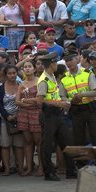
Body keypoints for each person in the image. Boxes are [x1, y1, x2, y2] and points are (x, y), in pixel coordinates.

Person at [35, 51, 76, 181]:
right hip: (48, 114)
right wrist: (59, 104)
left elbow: (53, 95)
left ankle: (71, 170)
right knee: (47, 144)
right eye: (55, 63)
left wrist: (62, 103)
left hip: (57, 114)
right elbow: (40, 101)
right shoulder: (44, 80)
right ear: (51, 64)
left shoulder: (52, 76)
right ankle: (49, 172)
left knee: (67, 141)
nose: (57, 65)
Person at [62, 53, 96, 149]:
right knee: (78, 138)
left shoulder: (87, 73)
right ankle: (81, 163)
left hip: (91, 108)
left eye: (71, 59)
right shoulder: (64, 78)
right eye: (66, 61)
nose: (69, 63)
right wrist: (71, 100)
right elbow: (62, 96)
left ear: (77, 59)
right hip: (76, 109)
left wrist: (82, 94)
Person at [0, 65, 25, 176]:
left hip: (19, 119)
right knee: (5, 145)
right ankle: (7, 168)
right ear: (6, 75)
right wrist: (7, 116)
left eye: (14, 73)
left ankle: (20, 168)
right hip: (4, 120)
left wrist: (18, 115)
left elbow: (24, 101)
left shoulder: (21, 86)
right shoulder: (0, 87)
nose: (12, 75)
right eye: (10, 73)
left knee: (19, 145)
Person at [15, 60, 43, 176]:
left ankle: (41, 167)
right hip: (23, 115)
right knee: (28, 141)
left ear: (34, 69)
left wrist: (24, 102)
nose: (27, 69)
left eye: (29, 66)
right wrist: (28, 104)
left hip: (36, 114)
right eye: (25, 67)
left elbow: (39, 101)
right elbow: (17, 101)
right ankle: (29, 168)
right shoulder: (21, 84)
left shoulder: (40, 82)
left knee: (39, 141)